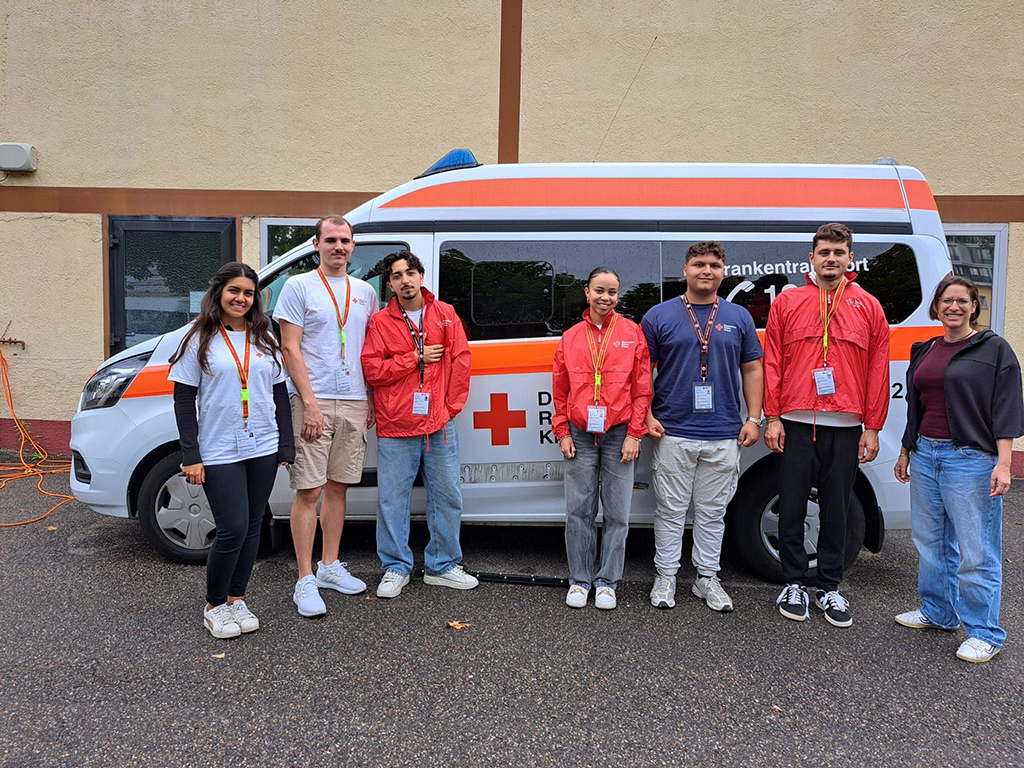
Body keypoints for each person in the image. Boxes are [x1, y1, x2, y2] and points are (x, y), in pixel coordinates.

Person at [763, 222, 889, 627]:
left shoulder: (868, 306)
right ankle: (793, 582)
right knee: (792, 505)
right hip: (797, 420)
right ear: (811, 258)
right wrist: (773, 416)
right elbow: (773, 363)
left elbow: (877, 370)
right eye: (824, 252)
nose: (831, 259)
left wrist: (872, 426)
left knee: (837, 507)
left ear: (851, 258)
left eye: (839, 252)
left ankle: (830, 587)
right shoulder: (788, 302)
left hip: (847, 423)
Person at [894, 275, 1024, 663]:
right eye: (946, 301)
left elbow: (1006, 407)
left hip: (970, 458)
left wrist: (1004, 462)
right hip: (926, 454)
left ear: (973, 307)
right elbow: (918, 407)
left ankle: (985, 632)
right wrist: (906, 450)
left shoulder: (993, 349)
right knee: (931, 542)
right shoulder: (927, 349)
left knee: (976, 550)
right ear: (936, 307)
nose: (954, 307)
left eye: (962, 301)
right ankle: (939, 612)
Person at [168, 262, 294, 639]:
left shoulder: (264, 338)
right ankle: (214, 605)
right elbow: (183, 400)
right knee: (232, 527)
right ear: (219, 293)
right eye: (234, 291)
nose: (241, 298)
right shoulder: (198, 339)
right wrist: (191, 455)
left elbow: (279, 396)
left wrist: (285, 444)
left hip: (263, 444)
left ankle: (237, 598)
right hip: (219, 447)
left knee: (254, 525)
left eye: (249, 293)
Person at [642, 242, 764, 612]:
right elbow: (643, 370)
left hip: (725, 431)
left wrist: (754, 417)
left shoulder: (738, 316)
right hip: (673, 429)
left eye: (714, 264)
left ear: (724, 271)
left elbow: (753, 368)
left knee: (713, 511)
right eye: (698, 264)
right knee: (670, 509)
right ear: (685, 270)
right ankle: (666, 575)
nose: (706, 271)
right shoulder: (659, 315)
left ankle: (707, 577)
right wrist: (646, 415)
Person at [274, 215, 377, 617]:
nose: (339, 247)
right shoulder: (298, 286)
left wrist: (368, 398)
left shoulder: (366, 292)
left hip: (353, 400)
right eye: (331, 240)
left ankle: (329, 566)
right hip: (311, 400)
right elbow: (290, 348)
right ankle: (304, 580)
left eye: (345, 241)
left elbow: (368, 347)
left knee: (339, 488)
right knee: (309, 490)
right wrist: (310, 403)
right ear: (316, 244)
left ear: (353, 247)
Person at [361, 250, 477, 598]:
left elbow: (461, 361)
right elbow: (373, 371)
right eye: (397, 276)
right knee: (392, 501)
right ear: (391, 285)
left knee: (447, 497)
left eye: (410, 272)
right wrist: (413, 358)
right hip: (397, 425)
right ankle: (396, 567)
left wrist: (450, 407)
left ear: (421, 276)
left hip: (439, 425)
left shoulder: (444, 314)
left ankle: (441, 566)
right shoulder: (381, 322)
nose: (405, 280)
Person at [552, 267, 652, 610]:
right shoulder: (570, 337)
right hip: (580, 433)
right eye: (599, 290)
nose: (605, 297)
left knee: (617, 512)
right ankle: (580, 580)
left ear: (618, 296)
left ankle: (607, 581)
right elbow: (560, 389)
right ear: (587, 292)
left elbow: (642, 390)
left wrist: (635, 434)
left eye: (611, 292)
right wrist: (562, 430)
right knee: (578, 510)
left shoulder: (632, 333)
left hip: (619, 433)